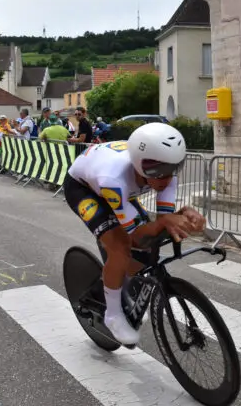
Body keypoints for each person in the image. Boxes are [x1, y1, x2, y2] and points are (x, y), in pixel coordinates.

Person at [63, 123, 205, 345]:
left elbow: (161, 224)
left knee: (145, 251)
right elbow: (137, 235)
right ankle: (112, 314)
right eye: (159, 172)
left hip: (119, 188)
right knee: (121, 248)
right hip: (84, 189)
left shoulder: (164, 173)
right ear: (140, 165)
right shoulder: (114, 179)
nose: (166, 179)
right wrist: (162, 223)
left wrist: (183, 219)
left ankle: (116, 282)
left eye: (173, 168)